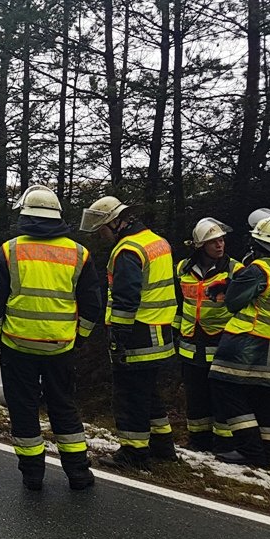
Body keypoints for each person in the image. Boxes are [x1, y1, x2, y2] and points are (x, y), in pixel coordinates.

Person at [0, 186, 102, 491]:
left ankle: (32, 475)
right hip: (60, 346)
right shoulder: (79, 253)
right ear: (58, 216)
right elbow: (91, 305)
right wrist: (80, 338)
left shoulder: (9, 251)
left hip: (17, 345)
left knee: (23, 409)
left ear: (25, 215)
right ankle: (79, 474)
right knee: (63, 406)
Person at [80, 195, 178, 470]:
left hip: (136, 334)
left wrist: (118, 337)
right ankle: (163, 447)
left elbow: (125, 299)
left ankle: (134, 453)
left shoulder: (128, 250)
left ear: (115, 223)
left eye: (101, 229)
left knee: (130, 396)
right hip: (160, 332)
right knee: (149, 393)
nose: (100, 235)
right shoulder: (157, 242)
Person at [208, 209, 270, 469]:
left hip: (247, 343)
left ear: (261, 242)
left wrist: (228, 288)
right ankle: (265, 453)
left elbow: (233, 302)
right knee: (262, 395)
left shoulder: (260, 268)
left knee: (225, 387)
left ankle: (248, 449)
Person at [174, 218, 242, 452]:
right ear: (201, 245)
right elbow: (179, 302)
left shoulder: (235, 269)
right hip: (190, 341)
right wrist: (176, 331)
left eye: (222, 240)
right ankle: (198, 441)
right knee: (195, 396)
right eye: (214, 241)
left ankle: (224, 443)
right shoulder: (183, 268)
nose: (220, 245)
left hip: (222, 341)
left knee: (222, 395)